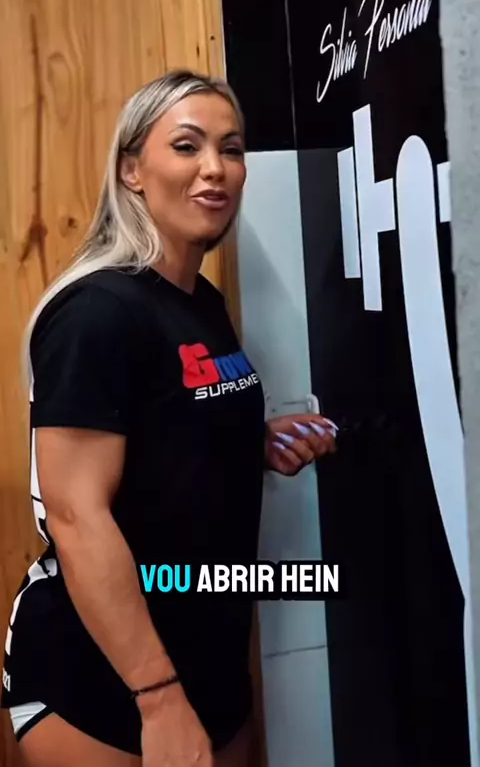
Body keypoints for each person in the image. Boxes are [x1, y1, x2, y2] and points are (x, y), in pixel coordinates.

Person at [0, 70, 336, 767]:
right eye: (187, 146)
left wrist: (248, 440)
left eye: (231, 149)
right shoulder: (97, 313)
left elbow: (166, 431)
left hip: (207, 663)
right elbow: (77, 516)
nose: (215, 168)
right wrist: (158, 698)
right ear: (132, 170)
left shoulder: (199, 302)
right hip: (103, 682)